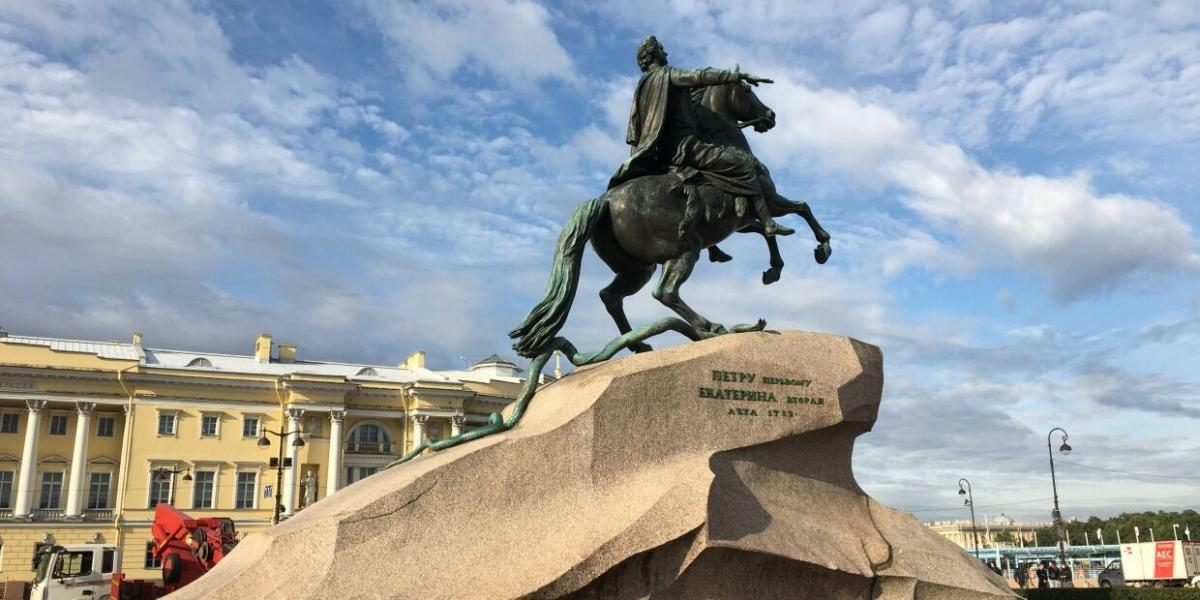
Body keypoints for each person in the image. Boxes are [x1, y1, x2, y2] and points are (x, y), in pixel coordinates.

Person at [610, 36, 794, 240]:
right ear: (654, 54)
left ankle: (714, 241)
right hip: (685, 147)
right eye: (662, 49)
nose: (666, 53)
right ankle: (768, 223)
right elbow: (699, 76)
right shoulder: (666, 75)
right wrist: (735, 76)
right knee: (743, 166)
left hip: (660, 153)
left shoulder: (642, 86)